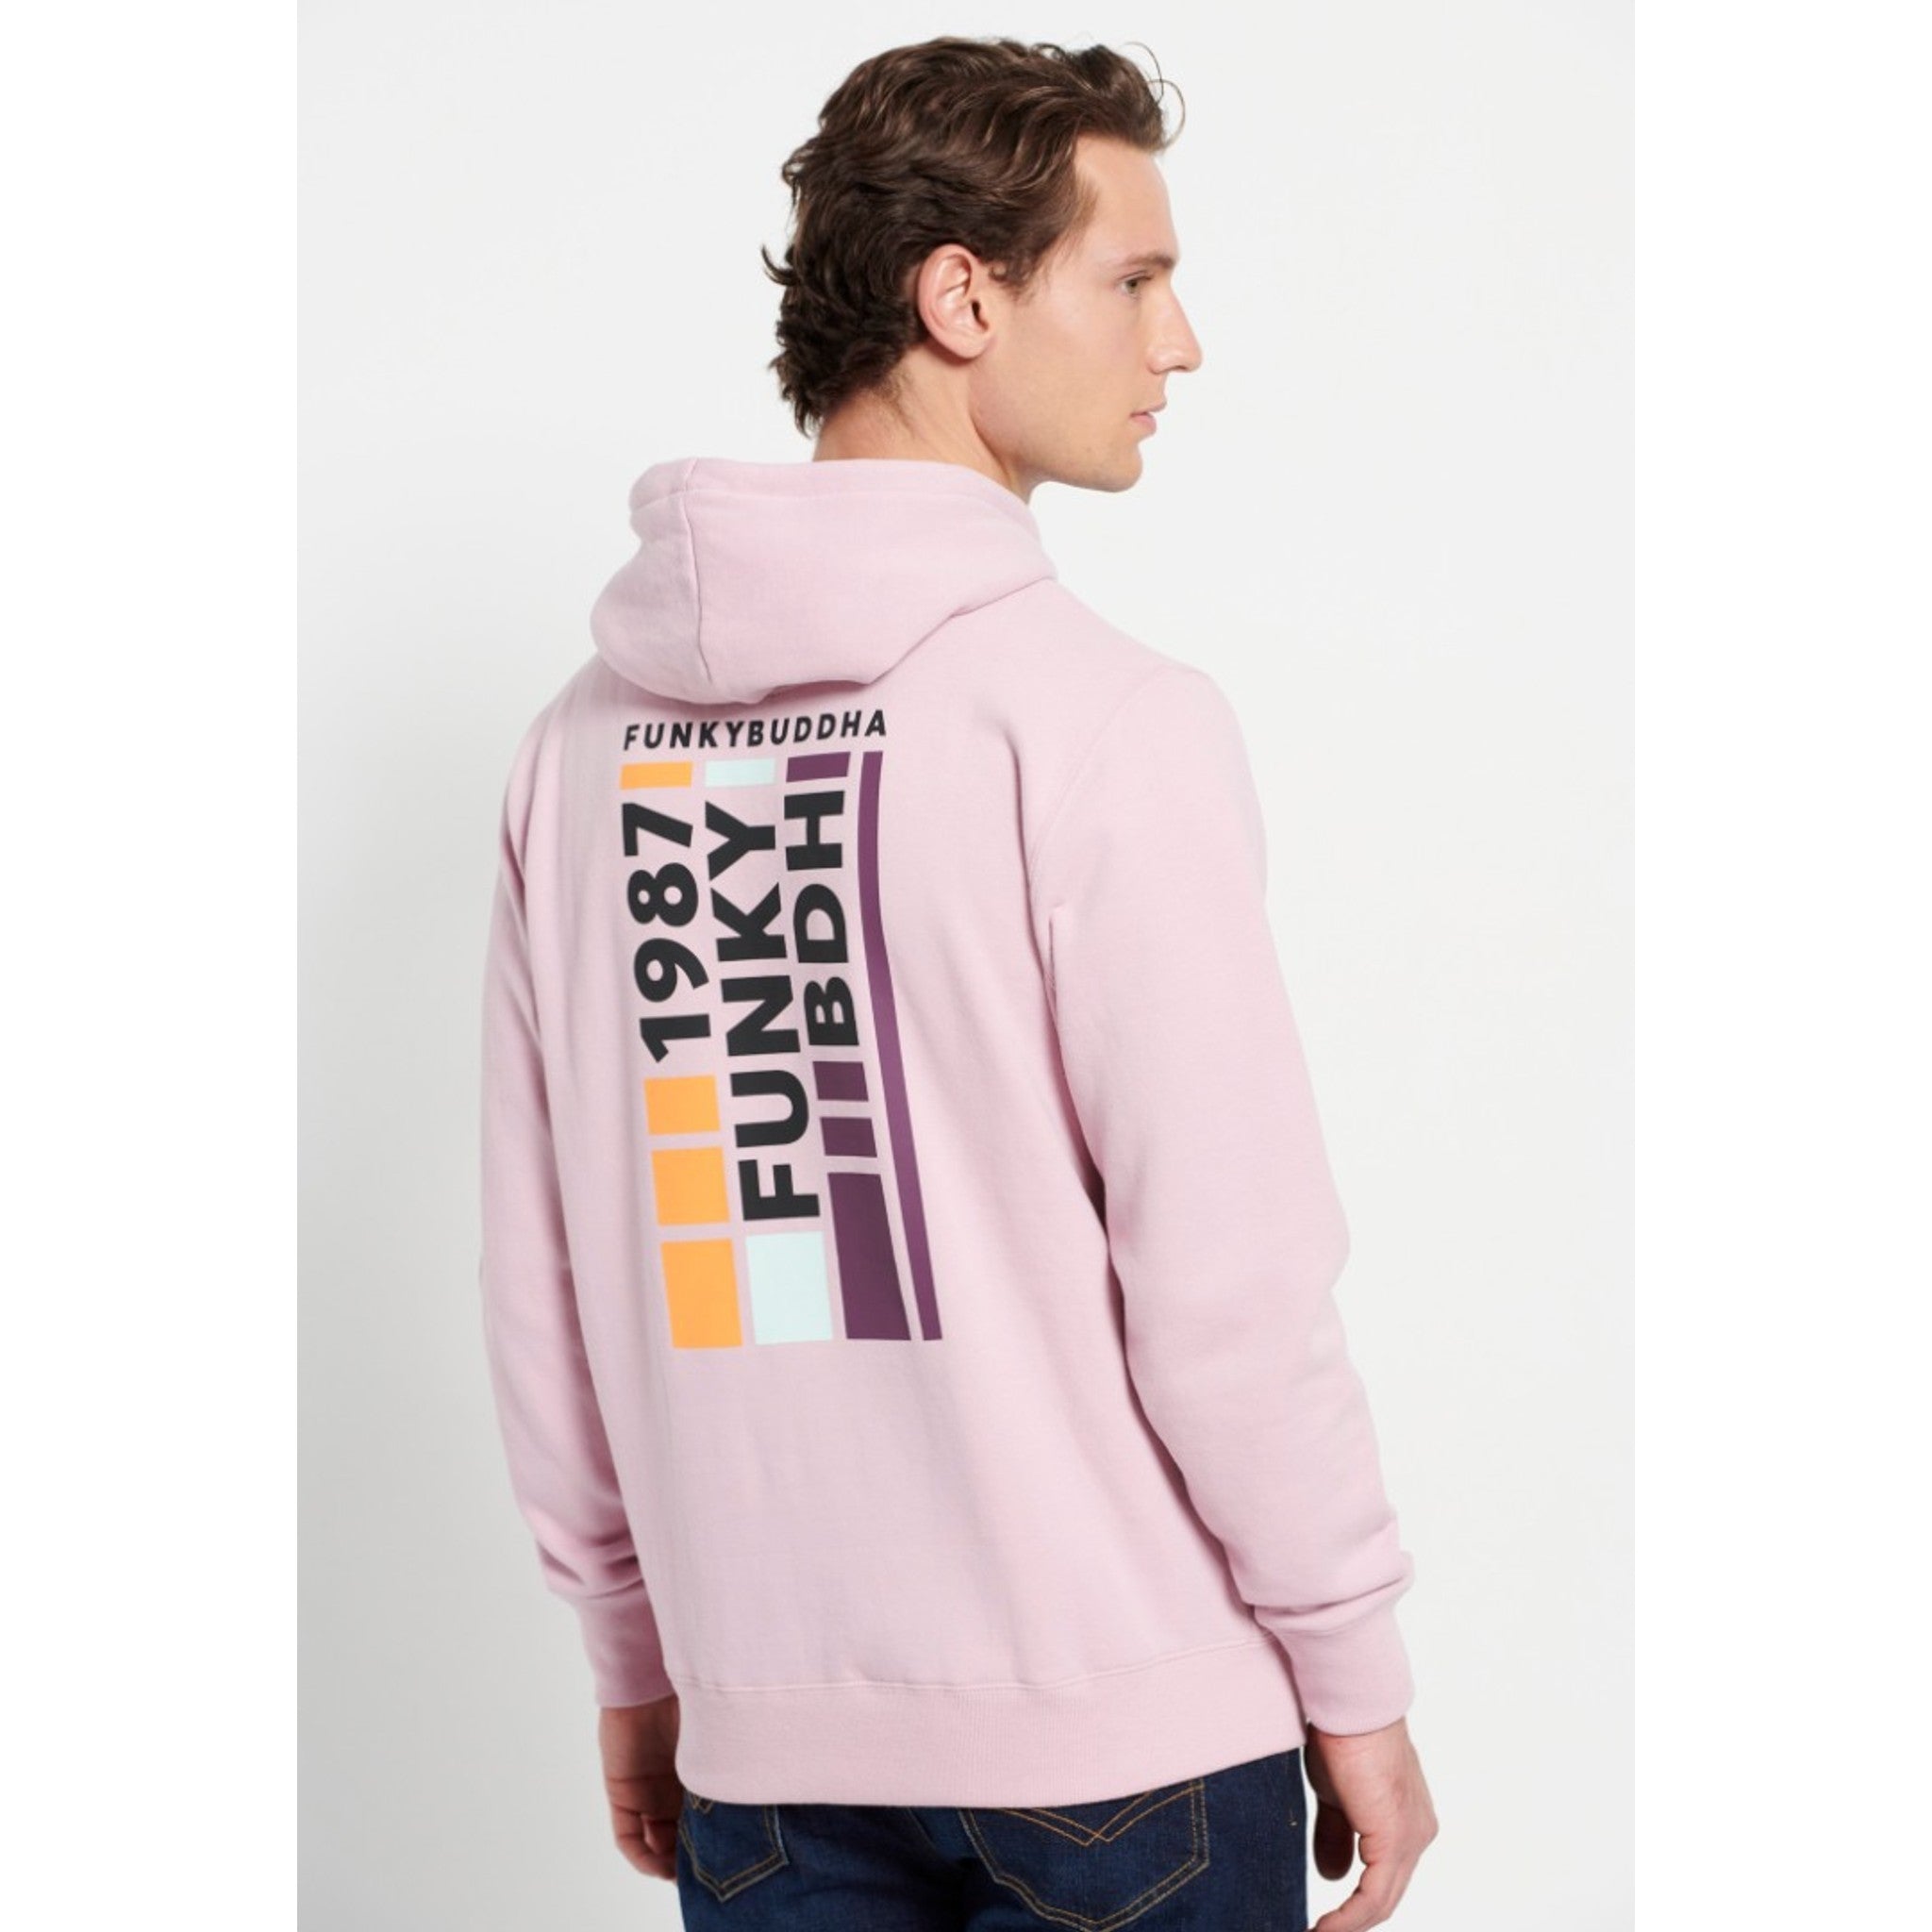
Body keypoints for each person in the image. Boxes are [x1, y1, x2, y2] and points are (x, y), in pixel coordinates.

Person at [478, 32, 1439, 1932]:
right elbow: (1228, 1287)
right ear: (963, 298)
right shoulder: (1098, 720)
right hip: (1129, 1752)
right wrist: (1352, 1661)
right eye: (1135, 278)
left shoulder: (579, 751)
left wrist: (635, 1651)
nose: (1180, 344)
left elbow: (549, 1279)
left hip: (763, 1752)